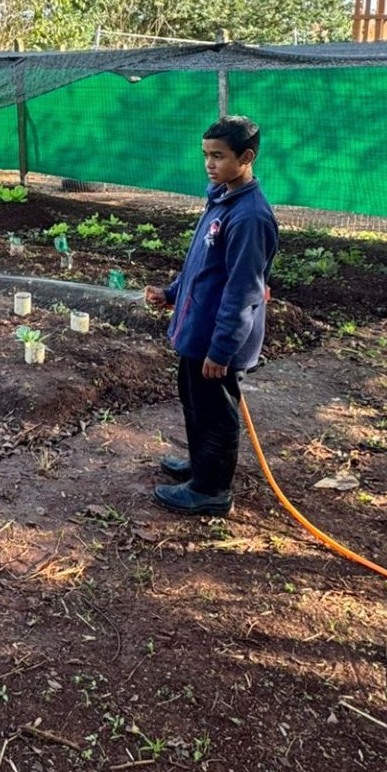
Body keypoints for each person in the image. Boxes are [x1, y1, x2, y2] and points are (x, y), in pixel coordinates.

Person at [145, 115, 278, 517]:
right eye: (205, 154)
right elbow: (200, 264)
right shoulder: (221, 199)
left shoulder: (249, 217)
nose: (209, 163)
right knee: (195, 403)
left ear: (246, 157)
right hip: (198, 329)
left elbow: (243, 291)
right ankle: (201, 464)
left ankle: (212, 489)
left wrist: (221, 350)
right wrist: (171, 293)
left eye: (218, 156)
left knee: (216, 412)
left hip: (217, 339)